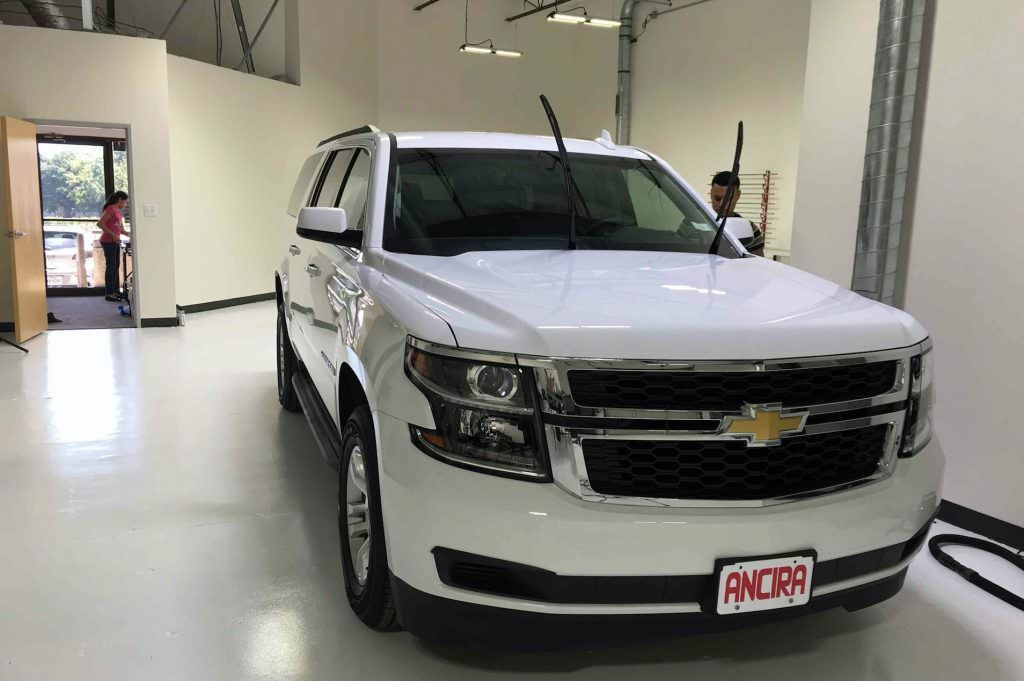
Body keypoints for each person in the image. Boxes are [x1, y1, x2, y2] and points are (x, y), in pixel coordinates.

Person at [710, 171, 764, 256]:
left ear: (738, 195)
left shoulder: (750, 229)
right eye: (717, 198)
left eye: (727, 199)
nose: (721, 205)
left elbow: (758, 265)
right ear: (711, 194)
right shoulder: (691, 224)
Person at [98, 191, 128, 301]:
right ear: (120, 199)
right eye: (125, 202)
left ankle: (115, 291)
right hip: (108, 241)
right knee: (111, 266)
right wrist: (113, 235)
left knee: (115, 266)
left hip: (114, 241)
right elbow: (100, 224)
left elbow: (120, 229)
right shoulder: (110, 209)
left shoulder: (118, 212)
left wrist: (129, 234)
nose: (126, 204)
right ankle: (109, 293)